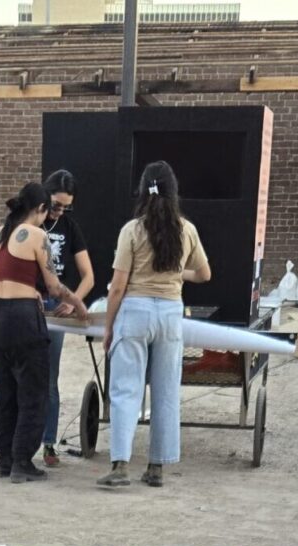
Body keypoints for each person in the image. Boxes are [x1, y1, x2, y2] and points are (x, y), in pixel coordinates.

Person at [97, 160, 212, 489]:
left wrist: (108, 327)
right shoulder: (186, 229)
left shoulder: (131, 230)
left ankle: (120, 466)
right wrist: (177, 274)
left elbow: (117, 286)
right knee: (165, 392)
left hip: (135, 310)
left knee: (125, 391)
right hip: (171, 313)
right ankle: (156, 467)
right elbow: (204, 274)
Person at [0, 181, 88, 483]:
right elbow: (54, 286)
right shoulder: (36, 235)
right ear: (40, 208)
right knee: (33, 392)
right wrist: (77, 302)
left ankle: (4, 459)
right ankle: (22, 461)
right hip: (24, 320)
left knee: (7, 394)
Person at [40, 169, 94, 468]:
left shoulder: (70, 227)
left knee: (50, 376)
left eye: (65, 206)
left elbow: (88, 275)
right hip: (28, 303)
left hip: (56, 303)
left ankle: (48, 442)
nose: (58, 211)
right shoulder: (31, 223)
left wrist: (74, 302)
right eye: (55, 204)